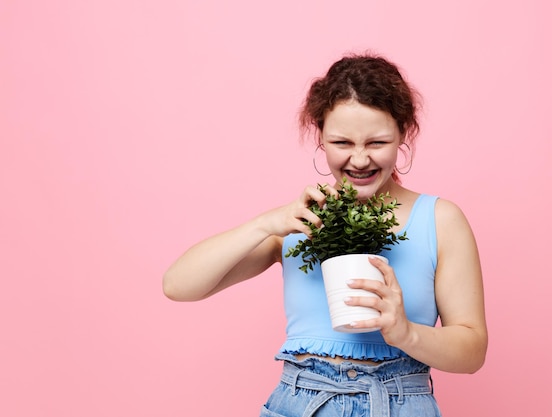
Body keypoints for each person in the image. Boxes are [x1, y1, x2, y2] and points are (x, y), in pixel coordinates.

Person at [163, 53, 487, 417]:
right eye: (342, 143)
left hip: (401, 402)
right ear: (320, 137)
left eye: (377, 143)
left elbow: (472, 350)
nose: (360, 160)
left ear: (402, 134)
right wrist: (264, 224)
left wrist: (407, 333)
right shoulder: (297, 221)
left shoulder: (440, 219)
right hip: (304, 401)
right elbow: (179, 285)